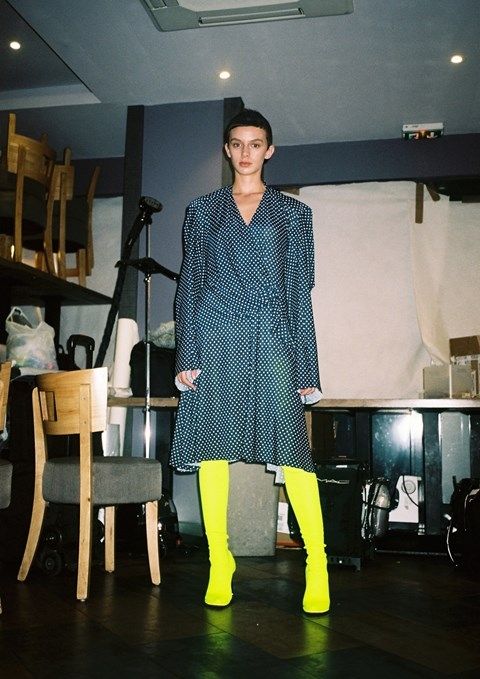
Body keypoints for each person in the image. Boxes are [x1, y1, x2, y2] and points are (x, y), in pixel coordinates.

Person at [170, 109, 329, 614]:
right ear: (227, 149)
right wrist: (188, 353)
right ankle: (220, 561)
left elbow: (299, 292)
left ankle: (318, 563)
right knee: (212, 451)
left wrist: (306, 367)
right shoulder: (202, 210)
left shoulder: (293, 213)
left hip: (274, 335)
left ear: (269, 150)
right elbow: (189, 287)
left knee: (294, 454)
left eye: (255, 144)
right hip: (217, 334)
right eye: (237, 143)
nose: (245, 153)